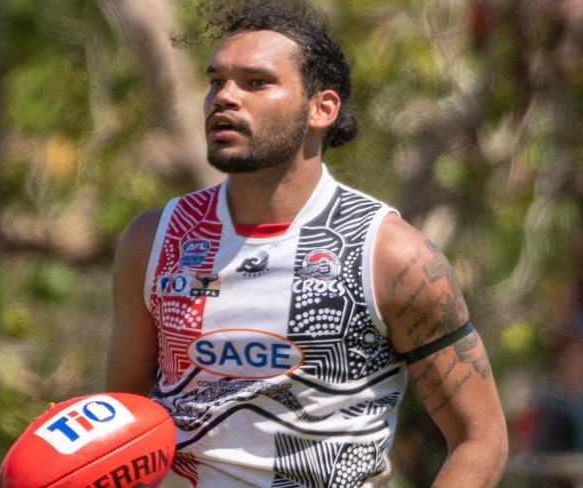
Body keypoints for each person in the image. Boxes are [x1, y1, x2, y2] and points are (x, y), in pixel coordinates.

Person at [107, 2, 508, 486]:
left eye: (256, 82)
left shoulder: (391, 256)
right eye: (217, 80)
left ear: (323, 108)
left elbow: (480, 438)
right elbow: (121, 427)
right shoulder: (154, 241)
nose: (225, 97)